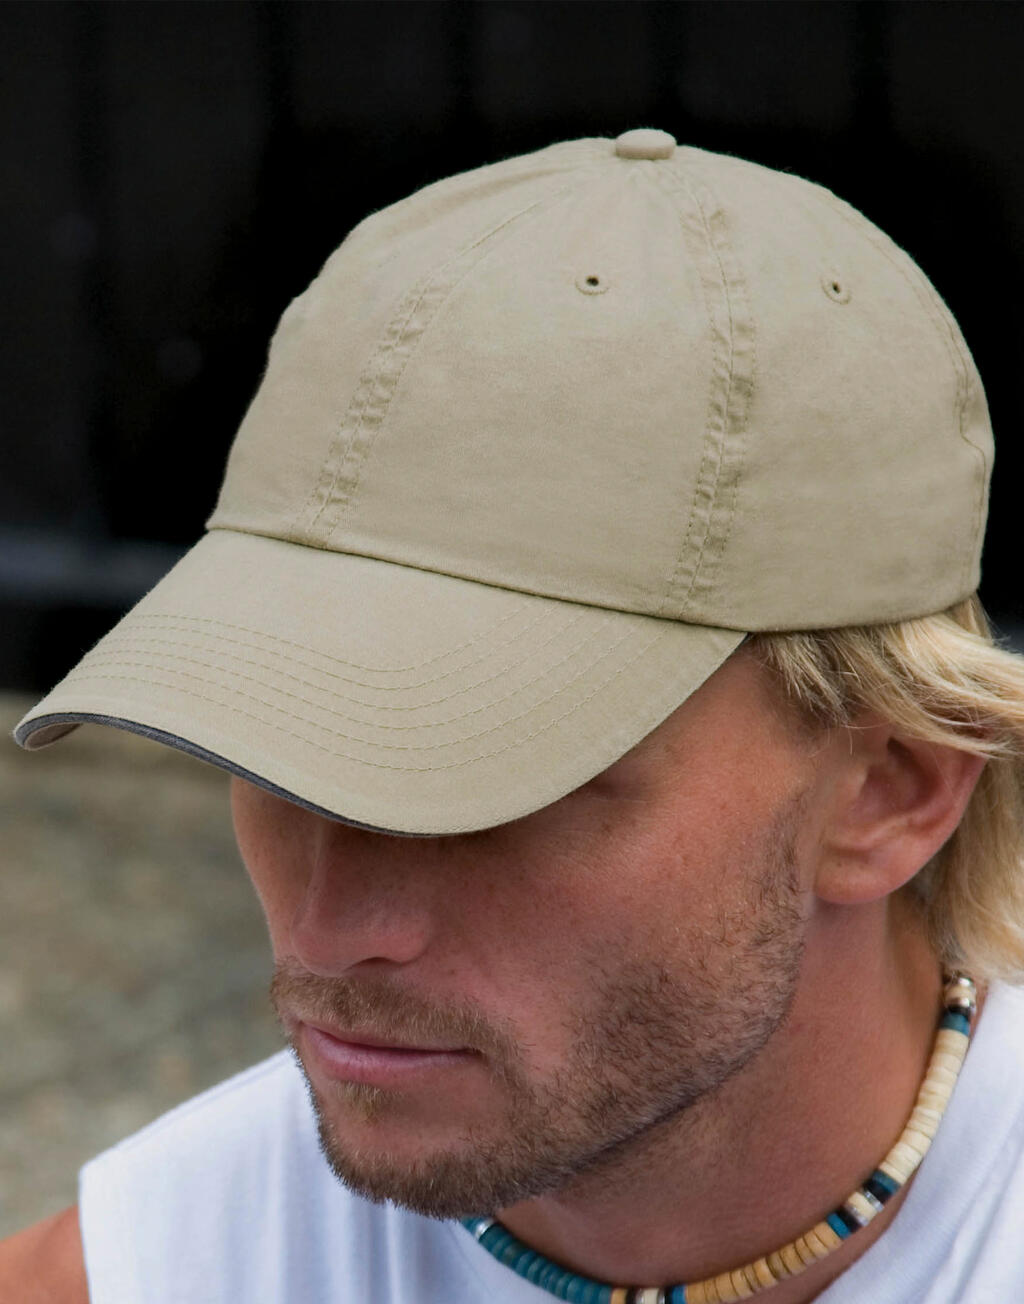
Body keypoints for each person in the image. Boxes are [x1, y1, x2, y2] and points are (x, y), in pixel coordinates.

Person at [3, 127, 1024, 1304]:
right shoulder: (170, 1260)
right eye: (276, 752)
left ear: (891, 789)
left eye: (494, 789)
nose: (330, 931)